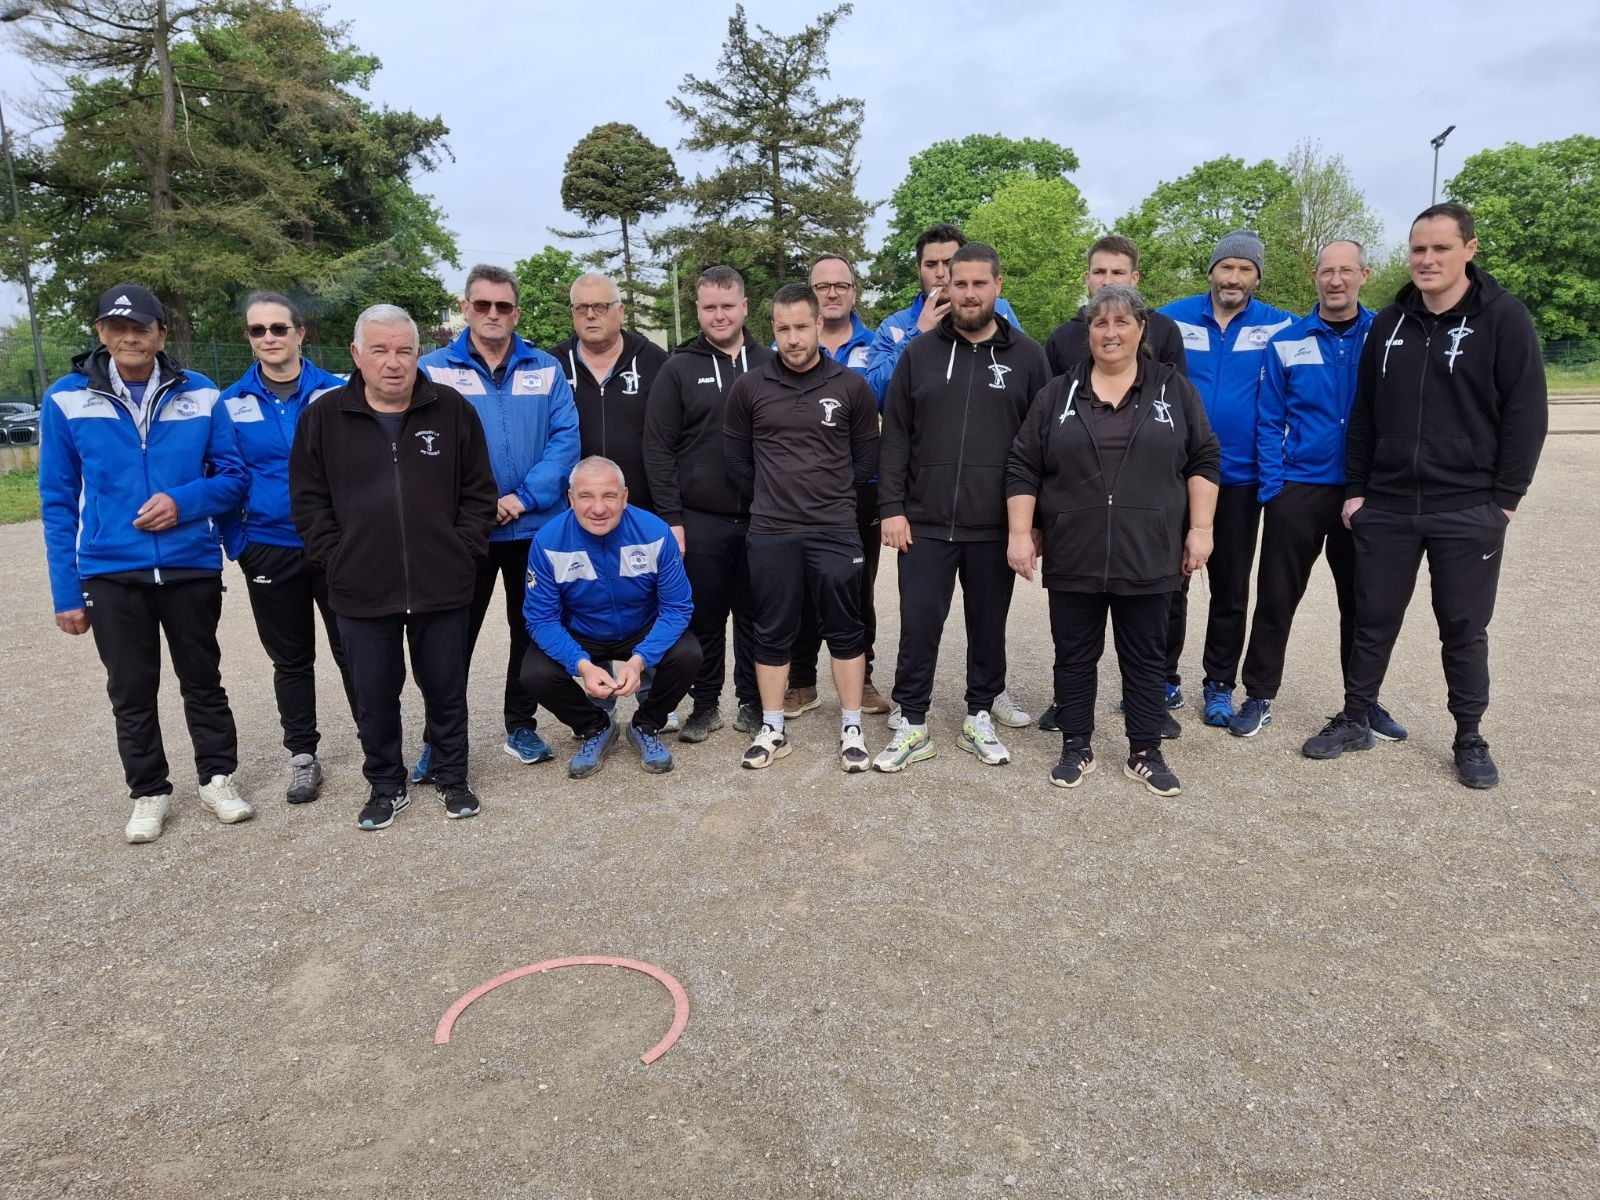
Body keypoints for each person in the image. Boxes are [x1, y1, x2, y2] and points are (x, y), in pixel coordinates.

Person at [1302, 204, 1548, 787]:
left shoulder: (1503, 320)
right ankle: (1357, 716)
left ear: (1469, 249)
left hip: (1467, 506)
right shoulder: (1389, 323)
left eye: (1440, 248)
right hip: (1387, 503)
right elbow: (1363, 413)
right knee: (1372, 619)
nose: (1428, 260)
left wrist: (1504, 501)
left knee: (1463, 626)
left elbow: (1526, 415)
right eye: (1418, 249)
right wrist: (1359, 489)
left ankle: (1469, 735)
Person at [38, 283, 252, 843]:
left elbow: (233, 478)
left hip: (189, 565)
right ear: (101, 333)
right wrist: (67, 592)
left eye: (141, 328)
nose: (129, 336)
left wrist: (184, 502)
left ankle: (217, 778)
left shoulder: (201, 393)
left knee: (203, 680)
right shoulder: (66, 399)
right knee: (131, 688)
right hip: (111, 570)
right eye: (116, 327)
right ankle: (149, 791)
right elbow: (58, 502)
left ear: (161, 334)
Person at [1006, 285, 1221, 796]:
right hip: (1075, 547)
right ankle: (1076, 744)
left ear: (1141, 329)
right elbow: (1023, 465)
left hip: (1148, 549)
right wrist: (1020, 532)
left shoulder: (1174, 390)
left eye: (1122, 322)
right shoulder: (1057, 393)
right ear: (1088, 333)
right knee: (1074, 654)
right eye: (1100, 323)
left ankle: (1145, 749)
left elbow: (1204, 459)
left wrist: (1201, 529)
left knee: (1146, 655)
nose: (1110, 333)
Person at [290, 304, 498, 830]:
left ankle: (453, 777)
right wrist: (335, 556)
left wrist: (462, 547)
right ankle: (385, 784)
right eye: (379, 350)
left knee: (446, 689)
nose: (393, 362)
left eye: (404, 350)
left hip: (442, 583)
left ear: (417, 354)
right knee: (374, 694)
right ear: (356, 355)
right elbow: (309, 500)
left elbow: (479, 491)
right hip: (360, 586)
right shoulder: (323, 417)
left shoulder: (451, 411)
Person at [873, 243, 1049, 773]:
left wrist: (1033, 522)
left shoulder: (1028, 357)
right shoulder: (920, 352)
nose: (968, 294)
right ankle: (913, 722)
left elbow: (1040, 446)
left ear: (998, 286)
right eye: (959, 283)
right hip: (923, 522)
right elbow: (896, 435)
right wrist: (891, 507)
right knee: (919, 622)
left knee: (988, 622)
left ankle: (979, 714)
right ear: (944, 287)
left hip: (994, 524)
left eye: (978, 284)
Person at [1229, 242, 1404, 742]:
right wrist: (1274, 487)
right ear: (1315, 276)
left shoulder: (1386, 336)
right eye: (1327, 271)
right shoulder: (1286, 340)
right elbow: (1269, 418)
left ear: (1363, 275)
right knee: (1276, 598)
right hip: (1299, 488)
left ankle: (1363, 702)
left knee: (1365, 603)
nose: (1336, 280)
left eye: (1346, 271)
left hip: (1365, 493)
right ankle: (1259, 694)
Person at [416, 264, 579, 778]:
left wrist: (523, 497)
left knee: (528, 632)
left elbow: (565, 439)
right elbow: (426, 448)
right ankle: (440, 741)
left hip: (534, 526)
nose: (492, 314)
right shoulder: (433, 370)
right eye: (482, 305)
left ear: (516, 313)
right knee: (449, 638)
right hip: (466, 529)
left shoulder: (546, 368)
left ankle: (520, 724)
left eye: (502, 306)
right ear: (465, 308)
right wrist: (483, 501)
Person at [723, 283, 879, 772]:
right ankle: (773, 726)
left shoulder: (850, 387)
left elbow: (865, 460)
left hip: (835, 528)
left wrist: (823, 497)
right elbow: (737, 463)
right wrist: (778, 499)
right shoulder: (750, 387)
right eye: (783, 329)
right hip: (772, 530)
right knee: (771, 630)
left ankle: (851, 724)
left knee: (847, 629)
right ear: (773, 331)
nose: (792, 338)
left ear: (819, 326)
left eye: (801, 327)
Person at [1040, 235, 1189, 733]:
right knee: (1075, 625)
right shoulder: (1063, 339)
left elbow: (1182, 428)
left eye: (1117, 273)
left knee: (1157, 607)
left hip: (1147, 505)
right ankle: (1070, 705)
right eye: (1099, 272)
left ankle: (1153, 698)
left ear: (1135, 279)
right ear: (1087, 277)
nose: (1107, 281)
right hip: (1079, 503)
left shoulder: (1165, 334)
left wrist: (1189, 518)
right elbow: (1044, 430)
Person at [218, 291, 357, 805]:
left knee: (353, 650)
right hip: (269, 547)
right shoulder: (229, 402)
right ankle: (303, 755)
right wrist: (241, 543)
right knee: (292, 659)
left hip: (336, 544)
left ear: (301, 333)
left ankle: (376, 747)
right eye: (259, 330)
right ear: (249, 339)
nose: (270, 338)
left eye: (280, 328)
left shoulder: (339, 391)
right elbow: (222, 473)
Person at [1158, 231, 1294, 728]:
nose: (1233, 277)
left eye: (1245, 269)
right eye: (1226, 267)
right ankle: (1162, 679)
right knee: (1169, 584)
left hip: (1241, 479)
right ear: (1211, 270)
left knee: (1230, 588)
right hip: (1176, 475)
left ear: (1257, 276)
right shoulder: (1171, 316)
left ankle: (1219, 684)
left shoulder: (1282, 325)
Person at [643, 266, 772, 741]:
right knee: (704, 617)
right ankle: (704, 702)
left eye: (727, 305)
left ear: (744, 306)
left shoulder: (769, 363)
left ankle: (754, 701)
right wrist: (671, 518)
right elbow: (657, 449)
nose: (718, 315)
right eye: (709, 307)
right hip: (701, 519)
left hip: (763, 516)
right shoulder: (677, 368)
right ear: (698, 309)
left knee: (757, 615)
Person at [521, 456, 701, 779]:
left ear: (625, 496)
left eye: (609, 496)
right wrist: (582, 665)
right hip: (583, 632)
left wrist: (641, 660)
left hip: (639, 629)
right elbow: (541, 619)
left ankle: (646, 725)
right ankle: (595, 726)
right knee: (534, 673)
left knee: (688, 654)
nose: (598, 508)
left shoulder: (655, 533)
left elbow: (678, 607)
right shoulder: (548, 541)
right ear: (570, 498)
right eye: (586, 496)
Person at [783, 253, 890, 720]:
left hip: (857, 488)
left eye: (840, 285)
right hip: (795, 494)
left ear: (854, 291)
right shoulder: (788, 345)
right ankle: (802, 681)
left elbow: (893, 399)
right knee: (800, 586)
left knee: (856, 586)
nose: (831, 292)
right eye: (822, 285)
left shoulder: (880, 345)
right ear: (810, 293)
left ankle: (861, 678)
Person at [863, 222, 1024, 406]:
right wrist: (917, 334)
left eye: (948, 263)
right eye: (931, 265)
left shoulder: (999, 311)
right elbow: (872, 396)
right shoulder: (894, 327)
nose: (940, 273)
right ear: (918, 270)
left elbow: (1025, 373)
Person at [549, 272, 671, 512]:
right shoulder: (552, 366)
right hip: (572, 512)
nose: (591, 315)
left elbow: (672, 441)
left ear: (621, 311)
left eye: (600, 307)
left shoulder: (656, 363)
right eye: (581, 308)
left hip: (642, 510)